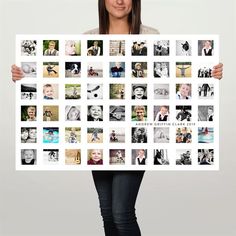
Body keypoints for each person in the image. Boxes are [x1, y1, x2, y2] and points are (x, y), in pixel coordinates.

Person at [11, 0, 223, 235]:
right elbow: (67, 85)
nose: (120, 1)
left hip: (134, 136)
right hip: (98, 136)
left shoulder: (150, 36)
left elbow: (168, 79)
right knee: (107, 213)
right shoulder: (88, 38)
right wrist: (26, 77)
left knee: (122, 213)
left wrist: (207, 72)